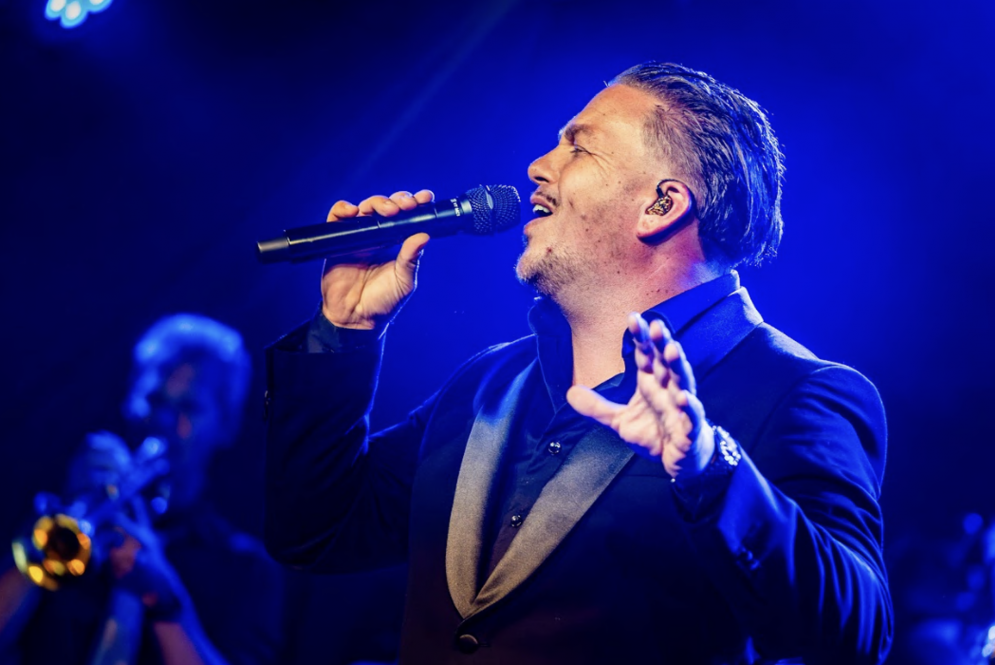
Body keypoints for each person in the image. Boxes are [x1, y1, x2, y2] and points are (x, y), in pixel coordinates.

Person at [263, 62, 892, 664]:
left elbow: (858, 635)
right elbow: (316, 533)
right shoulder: (486, 383)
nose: (538, 167)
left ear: (661, 205)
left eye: (578, 147)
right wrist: (344, 329)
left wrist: (710, 469)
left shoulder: (797, 392)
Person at [0, 314, 283, 665]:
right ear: (129, 400)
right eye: (154, 399)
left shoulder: (245, 571)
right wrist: (47, 534)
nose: (163, 420)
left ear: (226, 426)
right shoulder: (55, 510)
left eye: (188, 408)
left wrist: (166, 603)